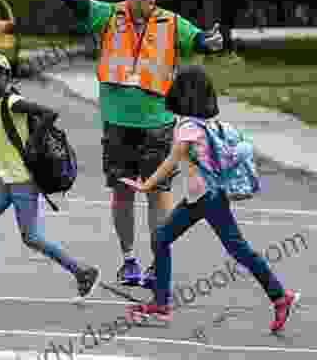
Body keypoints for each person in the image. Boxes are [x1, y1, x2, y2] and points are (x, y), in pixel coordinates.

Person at [51, 0, 224, 288]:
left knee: (158, 194)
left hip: (157, 125)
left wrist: (211, 41)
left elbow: (200, 40)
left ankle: (157, 263)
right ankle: (129, 260)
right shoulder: (108, 15)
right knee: (122, 194)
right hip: (117, 124)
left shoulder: (171, 23)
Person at [126, 65, 300, 330]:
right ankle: (161, 305)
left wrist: (146, 185)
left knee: (238, 249)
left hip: (208, 199)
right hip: (202, 198)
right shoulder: (207, 123)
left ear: (183, 93)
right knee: (162, 239)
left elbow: (172, 161)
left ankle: (280, 296)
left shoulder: (187, 127)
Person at [0, 52, 101, 300]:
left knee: (31, 237)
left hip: (23, 180)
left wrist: (33, 144)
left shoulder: (12, 101)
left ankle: (82, 271)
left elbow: (49, 113)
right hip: (7, 177)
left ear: (7, 77)